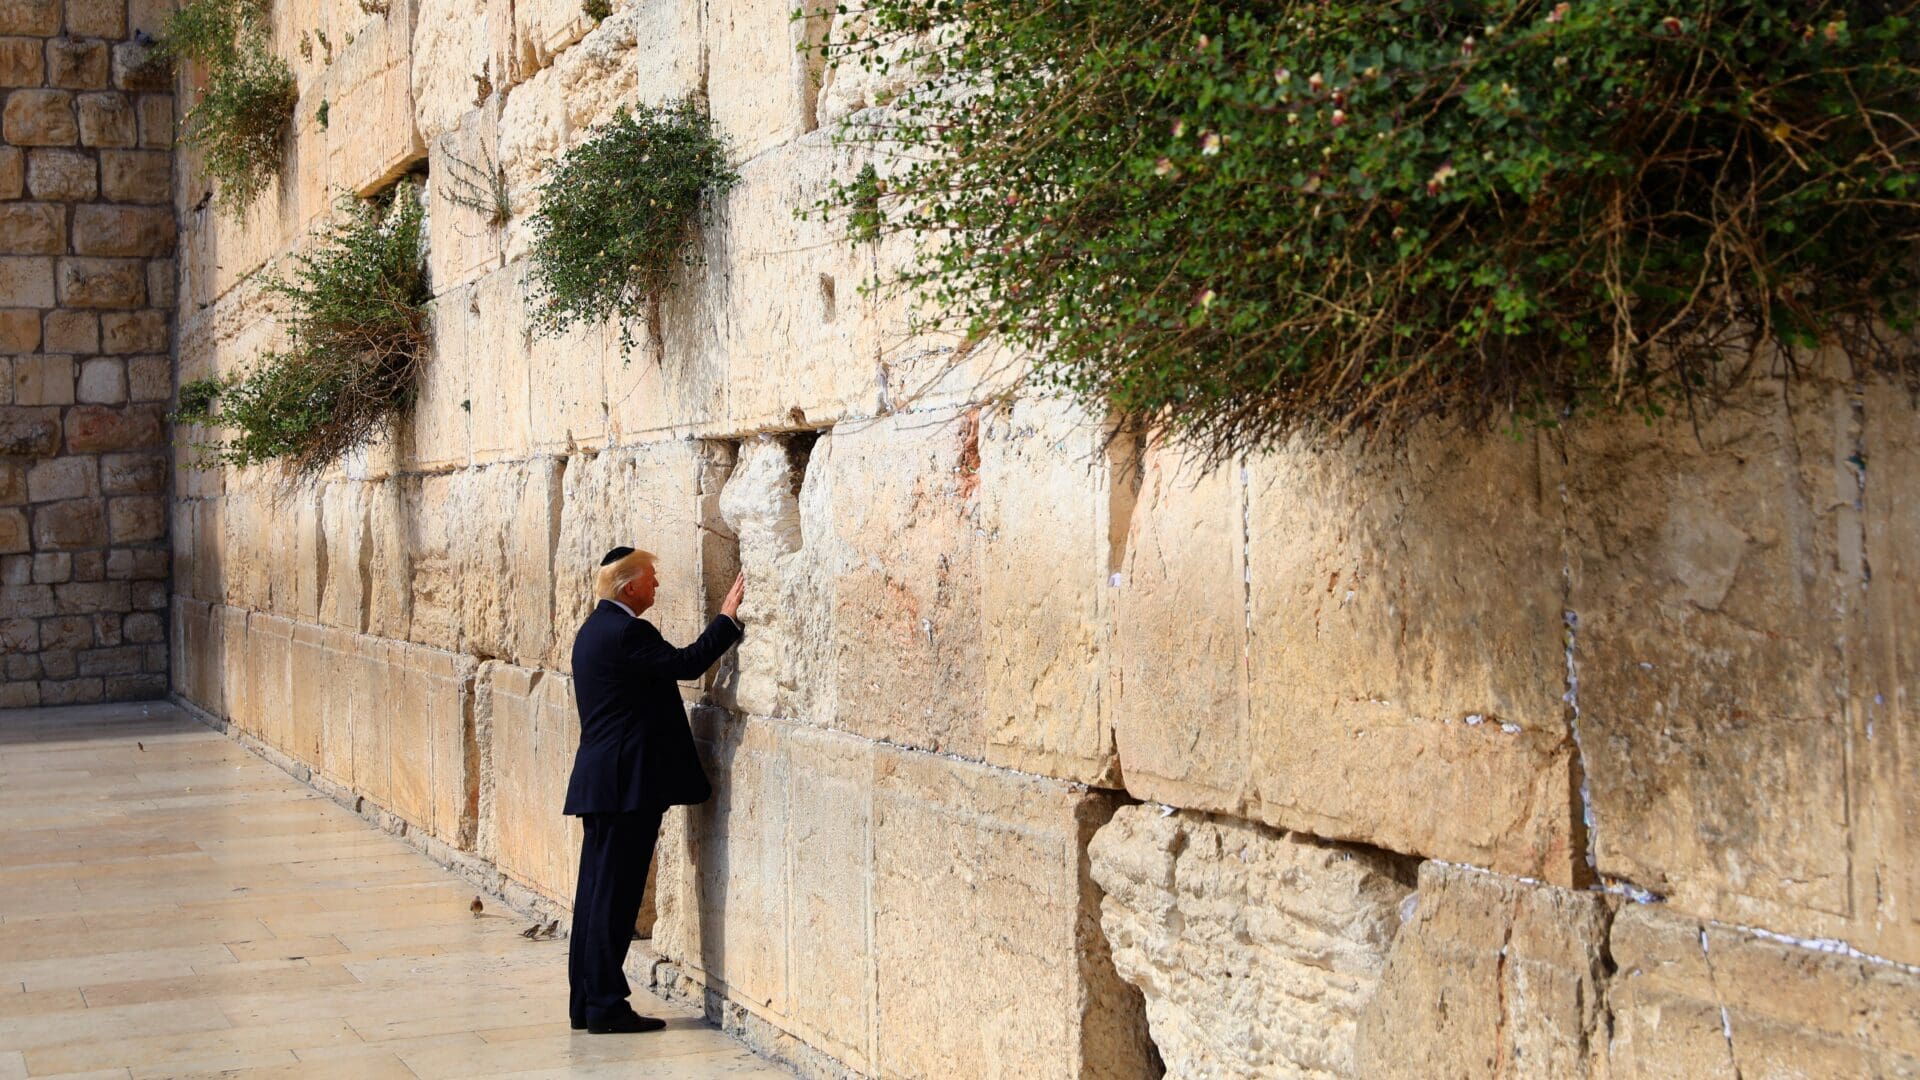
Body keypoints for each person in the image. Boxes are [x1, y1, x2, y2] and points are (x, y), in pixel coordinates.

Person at [564, 545, 744, 1034]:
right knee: (616, 898)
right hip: (627, 788)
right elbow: (686, 665)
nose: (657, 585)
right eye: (651, 578)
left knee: (596, 894)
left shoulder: (592, 631)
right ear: (629, 587)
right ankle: (605, 1006)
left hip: (601, 782)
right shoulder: (627, 632)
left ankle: (586, 1000)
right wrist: (726, 620)